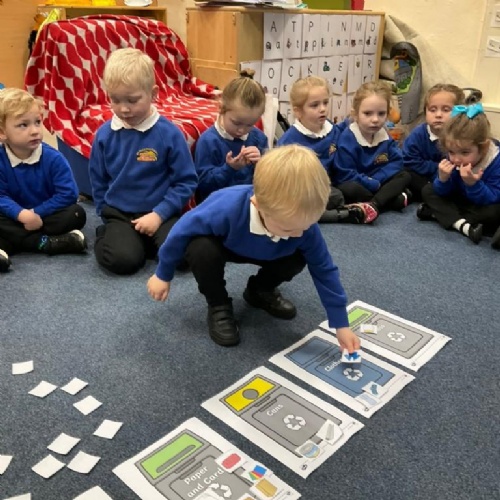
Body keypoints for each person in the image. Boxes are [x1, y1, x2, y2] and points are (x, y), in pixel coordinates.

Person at [147, 144, 361, 353]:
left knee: (300, 254)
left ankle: (260, 290)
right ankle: (218, 304)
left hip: (275, 250)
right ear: (258, 204)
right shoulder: (226, 205)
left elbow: (324, 270)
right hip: (226, 245)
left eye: (305, 226)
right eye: (289, 228)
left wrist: (340, 323)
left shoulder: (301, 227)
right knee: (199, 248)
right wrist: (163, 273)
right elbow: (181, 231)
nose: (298, 233)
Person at [89, 48, 198, 275]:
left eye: (133, 100)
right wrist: (103, 210)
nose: (123, 109)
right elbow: (98, 177)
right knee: (124, 261)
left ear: (153, 93)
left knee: (185, 256)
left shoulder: (169, 133)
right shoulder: (104, 135)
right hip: (120, 213)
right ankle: (111, 236)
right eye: (115, 100)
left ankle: (143, 241)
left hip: (160, 211)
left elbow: (186, 181)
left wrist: (159, 214)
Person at [0, 88, 87, 272]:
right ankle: (45, 243)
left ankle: (11, 244)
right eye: (23, 125)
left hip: (46, 216)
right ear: (2, 132)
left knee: (76, 213)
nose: (35, 131)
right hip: (14, 216)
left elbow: (68, 194)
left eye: (37, 122)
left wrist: (36, 213)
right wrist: (21, 214)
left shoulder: (53, 158)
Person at [277, 75, 375, 224]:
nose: (322, 109)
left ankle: (373, 203)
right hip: (302, 190)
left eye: (325, 103)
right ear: (298, 111)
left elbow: (343, 134)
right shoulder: (289, 141)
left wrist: (355, 118)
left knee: (351, 189)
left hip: (330, 184)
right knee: (328, 198)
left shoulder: (331, 129)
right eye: (314, 105)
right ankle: (342, 215)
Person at [418, 103, 500, 246]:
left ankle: (440, 214)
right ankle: (463, 224)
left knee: (494, 212)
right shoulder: (454, 155)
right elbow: (443, 191)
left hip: (481, 203)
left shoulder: (495, 162)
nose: (456, 159)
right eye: (451, 152)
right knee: (428, 190)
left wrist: (472, 184)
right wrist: (443, 180)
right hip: (459, 200)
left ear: (484, 147)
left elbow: (492, 197)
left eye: (465, 153)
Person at [334, 81, 411, 221]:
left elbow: (397, 161)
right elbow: (345, 174)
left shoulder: (384, 134)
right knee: (348, 189)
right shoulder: (348, 138)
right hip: (360, 184)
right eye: (367, 113)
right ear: (355, 114)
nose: (375, 119)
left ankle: (374, 204)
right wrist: (371, 183)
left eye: (381, 114)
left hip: (379, 181)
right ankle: (389, 200)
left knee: (405, 175)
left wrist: (378, 179)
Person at [194, 70, 268, 202]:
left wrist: (261, 163)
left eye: (250, 125)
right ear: (221, 108)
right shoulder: (208, 141)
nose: (241, 130)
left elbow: (270, 182)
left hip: (250, 204)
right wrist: (229, 168)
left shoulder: (259, 138)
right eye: (236, 123)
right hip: (218, 206)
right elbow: (202, 186)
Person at [402, 84, 465, 201]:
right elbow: (409, 160)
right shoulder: (418, 134)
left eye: (446, 110)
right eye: (432, 110)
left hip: (452, 177)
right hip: (424, 177)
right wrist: (437, 168)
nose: (438, 115)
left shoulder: (462, 135)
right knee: (405, 175)